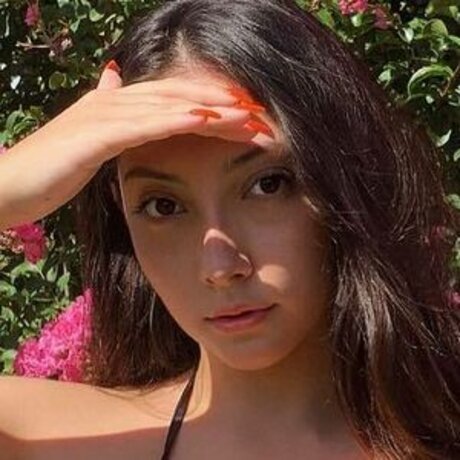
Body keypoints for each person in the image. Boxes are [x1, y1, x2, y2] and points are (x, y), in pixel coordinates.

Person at [0, 0, 459, 459]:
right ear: (122, 211)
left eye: (267, 185)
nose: (219, 268)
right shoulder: (48, 441)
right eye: (163, 206)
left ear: (344, 176)